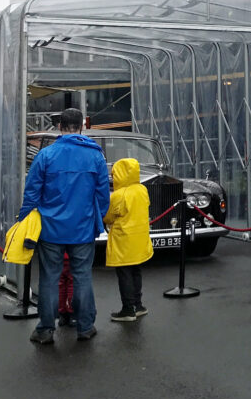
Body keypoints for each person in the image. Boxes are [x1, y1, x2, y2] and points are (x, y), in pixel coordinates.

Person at [20, 107, 110, 344]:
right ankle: (85, 326)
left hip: (50, 228)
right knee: (82, 277)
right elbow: (103, 195)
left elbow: (31, 193)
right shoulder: (95, 155)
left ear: (60, 127)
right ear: (81, 126)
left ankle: (45, 329)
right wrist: (96, 219)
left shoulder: (46, 155)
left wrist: (24, 222)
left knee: (50, 277)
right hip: (82, 228)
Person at [103, 157, 153, 321]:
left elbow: (108, 217)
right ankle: (138, 305)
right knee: (136, 271)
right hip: (139, 239)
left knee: (124, 274)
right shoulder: (142, 190)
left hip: (123, 240)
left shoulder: (118, 195)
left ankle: (127, 309)